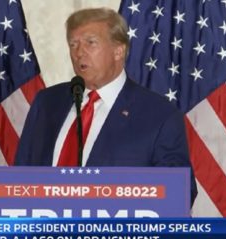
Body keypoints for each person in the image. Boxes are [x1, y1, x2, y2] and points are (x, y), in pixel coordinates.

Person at [15, 7, 197, 204]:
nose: (79, 53)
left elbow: (179, 192)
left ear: (119, 51)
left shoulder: (159, 115)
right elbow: (19, 176)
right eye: (73, 44)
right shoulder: (47, 102)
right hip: (47, 233)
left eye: (90, 43)